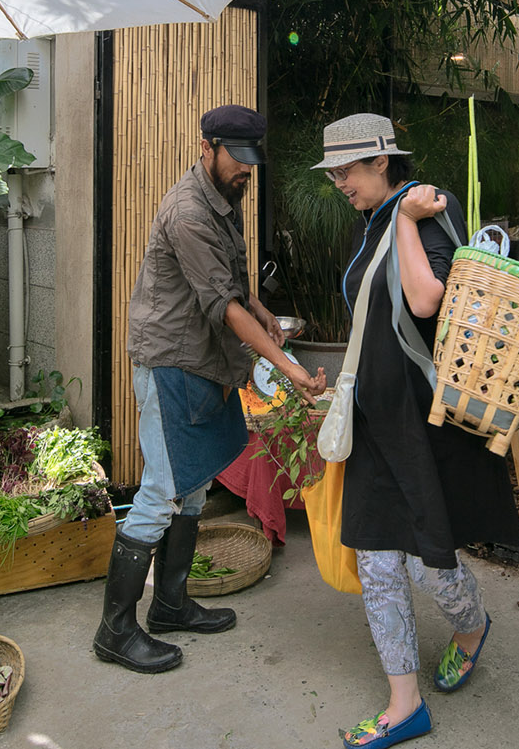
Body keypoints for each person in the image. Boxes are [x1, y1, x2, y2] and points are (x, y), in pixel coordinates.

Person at [93, 104, 326, 675]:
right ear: (207, 146)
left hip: (205, 364)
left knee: (193, 487)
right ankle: (115, 630)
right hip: (172, 361)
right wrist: (288, 367)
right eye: (237, 158)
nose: (247, 170)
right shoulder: (188, 212)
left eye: (252, 160)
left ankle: (170, 605)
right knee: (163, 490)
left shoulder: (224, 200)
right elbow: (219, 304)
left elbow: (233, 284)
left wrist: (263, 309)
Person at [316, 113, 519, 749]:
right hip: (377, 419)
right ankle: (404, 704)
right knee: (377, 560)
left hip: (424, 421)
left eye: (346, 170)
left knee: (432, 562)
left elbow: (427, 300)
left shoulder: (429, 208)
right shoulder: (369, 220)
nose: (338, 183)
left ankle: (471, 625)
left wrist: (408, 218)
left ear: (382, 162)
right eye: (333, 174)